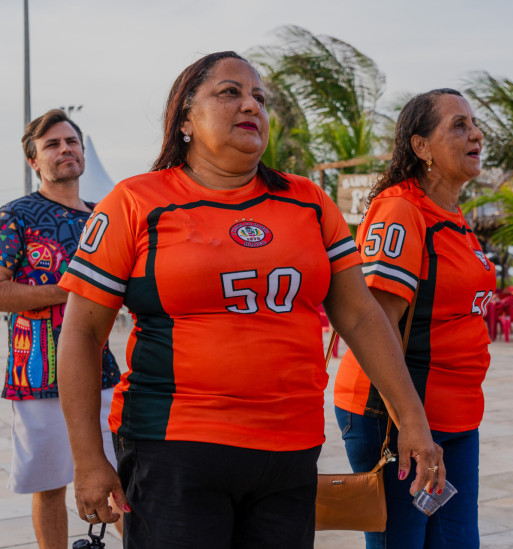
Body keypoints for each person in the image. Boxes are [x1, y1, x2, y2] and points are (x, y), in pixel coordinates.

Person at [55, 51, 439, 549]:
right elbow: (81, 332)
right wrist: (88, 459)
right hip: (173, 449)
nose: (251, 105)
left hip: (291, 451)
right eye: (229, 92)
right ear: (185, 118)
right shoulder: (134, 201)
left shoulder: (308, 201)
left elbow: (362, 316)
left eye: (259, 96)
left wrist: (412, 419)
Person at [334, 88, 494, 549]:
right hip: (400, 420)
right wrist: (412, 422)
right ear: (421, 146)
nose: (476, 134)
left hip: (457, 418)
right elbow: (373, 324)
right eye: (459, 125)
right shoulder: (401, 210)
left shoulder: (455, 216)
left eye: (474, 123)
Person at [0, 109, 121, 549]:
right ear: (33, 160)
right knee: (50, 487)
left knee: (122, 481)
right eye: (51, 144)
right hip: (38, 371)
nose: (65, 149)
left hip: (104, 371)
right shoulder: (15, 216)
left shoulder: (105, 217)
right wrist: (71, 290)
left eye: (71, 141)